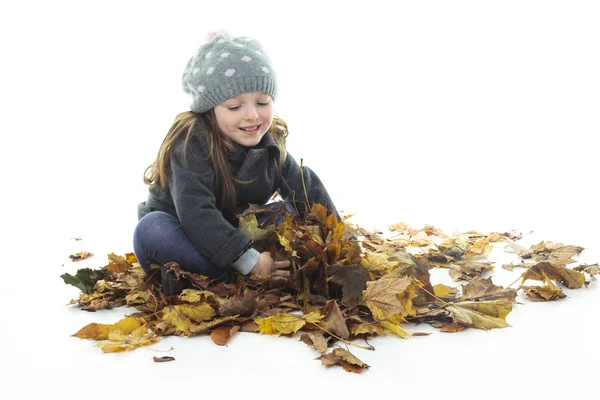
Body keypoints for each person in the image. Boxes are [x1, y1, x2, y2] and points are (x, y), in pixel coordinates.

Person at [133, 33, 340, 294]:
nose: (252, 115)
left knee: (292, 208)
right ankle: (230, 278)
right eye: (234, 106)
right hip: (183, 234)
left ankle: (225, 276)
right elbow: (197, 214)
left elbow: (302, 185)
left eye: (262, 102)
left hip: (230, 233)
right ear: (209, 109)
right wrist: (250, 262)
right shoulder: (190, 143)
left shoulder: (268, 140)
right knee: (152, 230)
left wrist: (340, 241)